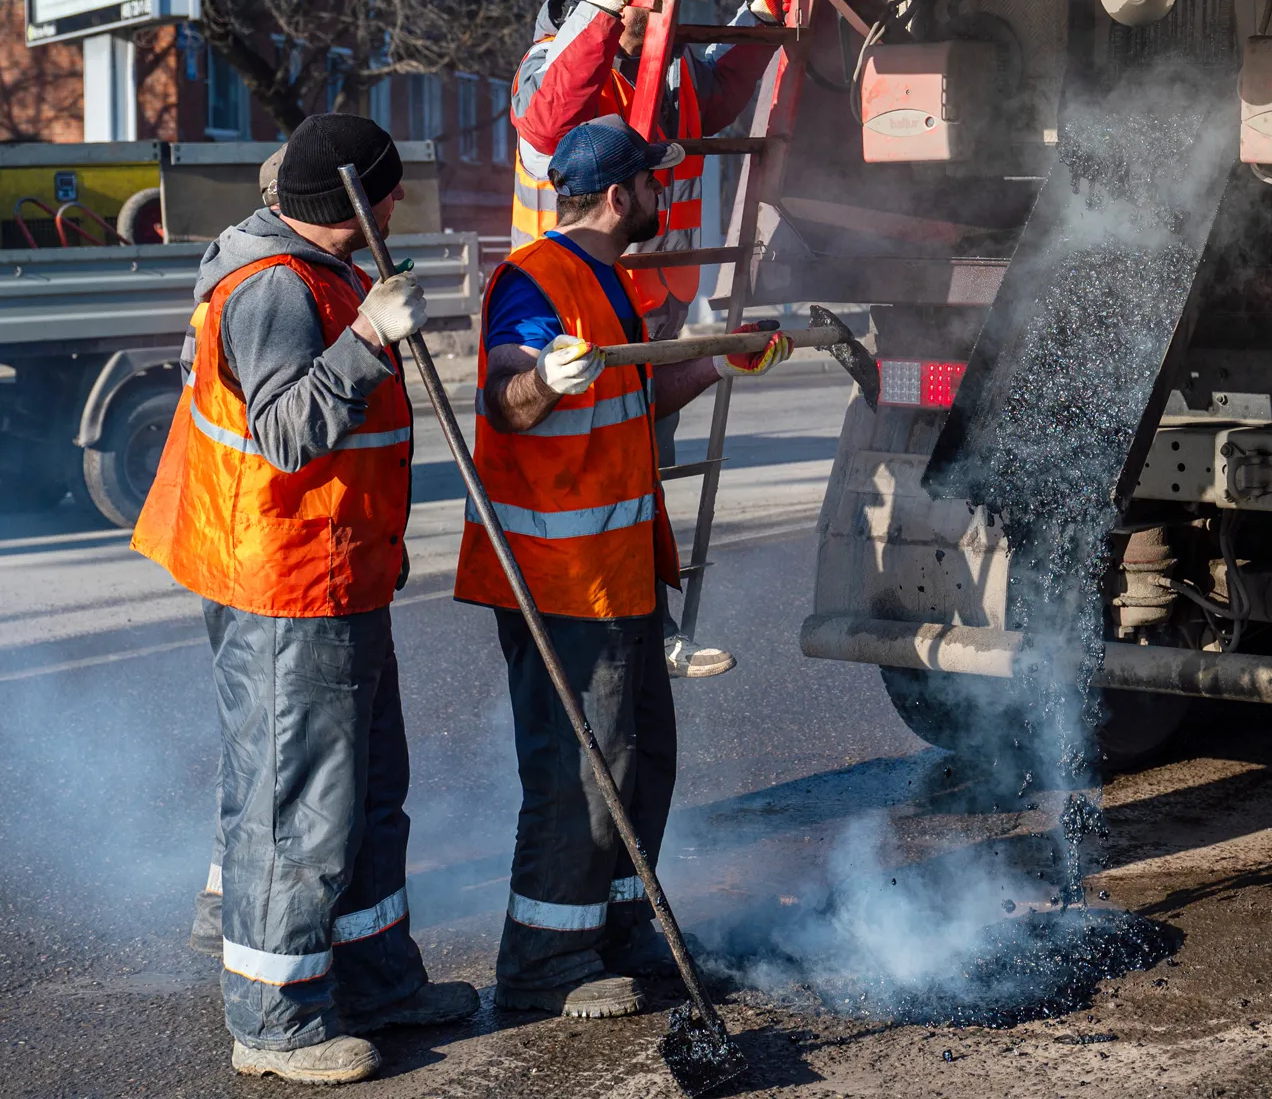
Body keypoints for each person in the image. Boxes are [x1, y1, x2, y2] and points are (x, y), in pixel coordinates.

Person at [133, 113, 479, 1085]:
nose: (401, 202)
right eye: (388, 189)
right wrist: (369, 337)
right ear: (356, 204)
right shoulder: (276, 289)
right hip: (289, 585)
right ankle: (274, 1019)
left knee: (367, 793)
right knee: (299, 811)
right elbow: (290, 432)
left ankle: (375, 982)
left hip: (337, 572)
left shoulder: (314, 265)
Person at [456, 116, 790, 1017]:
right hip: (561, 581)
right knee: (582, 775)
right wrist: (542, 382)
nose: (664, 197)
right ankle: (542, 966)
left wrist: (721, 357)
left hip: (617, 574)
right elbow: (507, 395)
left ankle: (619, 930)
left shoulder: (606, 279)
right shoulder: (537, 278)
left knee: (642, 763)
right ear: (618, 195)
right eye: (653, 184)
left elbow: (634, 397)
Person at [511, 0, 791, 678]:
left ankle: (644, 628)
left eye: (664, 2)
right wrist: (600, 19)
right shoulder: (557, 57)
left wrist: (770, 9)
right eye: (648, 2)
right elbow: (543, 130)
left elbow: (723, 86)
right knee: (582, 482)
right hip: (564, 309)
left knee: (638, 477)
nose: (661, 14)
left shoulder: (663, 63)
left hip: (648, 302)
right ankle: (584, 630)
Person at [190, 141, 290, 960]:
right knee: (266, 729)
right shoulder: (265, 286)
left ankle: (227, 887)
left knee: (254, 727)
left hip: (230, 537)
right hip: (255, 542)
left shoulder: (228, 265)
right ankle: (232, 899)